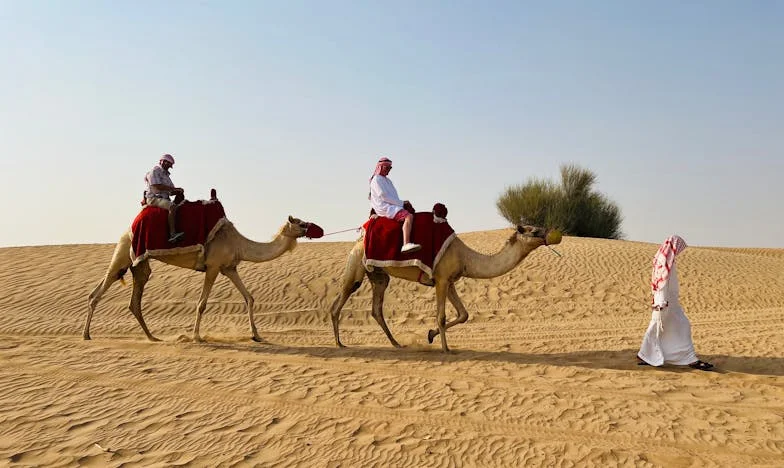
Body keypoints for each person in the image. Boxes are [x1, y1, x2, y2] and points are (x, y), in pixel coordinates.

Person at [637, 235, 714, 370]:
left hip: (669, 303)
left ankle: (649, 355)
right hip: (664, 304)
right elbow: (661, 283)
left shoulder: (665, 259)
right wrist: (661, 302)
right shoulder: (664, 261)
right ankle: (686, 358)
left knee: (669, 328)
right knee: (674, 327)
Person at [369, 157, 421, 253]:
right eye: (387, 168)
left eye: (390, 168)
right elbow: (384, 196)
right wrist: (401, 203)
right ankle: (406, 244)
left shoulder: (387, 181)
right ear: (380, 167)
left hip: (392, 205)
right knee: (408, 217)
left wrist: (402, 203)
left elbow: (392, 197)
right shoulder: (376, 179)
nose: (389, 170)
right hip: (385, 207)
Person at [144, 154, 185, 243]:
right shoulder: (154, 171)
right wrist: (173, 189)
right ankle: (172, 234)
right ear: (163, 162)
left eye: (170, 165)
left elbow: (170, 191)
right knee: (172, 207)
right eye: (168, 164)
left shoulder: (166, 176)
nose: (169, 167)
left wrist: (178, 191)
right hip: (154, 198)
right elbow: (156, 186)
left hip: (164, 199)